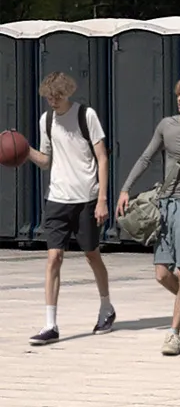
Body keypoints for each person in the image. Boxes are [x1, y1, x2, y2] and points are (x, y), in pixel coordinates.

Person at [116, 77, 180, 357]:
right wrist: (125, 189)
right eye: (179, 95)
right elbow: (146, 158)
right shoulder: (166, 126)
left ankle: (173, 335)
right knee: (162, 274)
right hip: (165, 206)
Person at [25, 72, 114, 344]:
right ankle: (50, 324)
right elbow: (46, 161)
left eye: (56, 96)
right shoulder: (46, 120)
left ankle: (106, 308)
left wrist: (102, 199)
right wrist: (23, 149)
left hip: (86, 197)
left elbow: (102, 158)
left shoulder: (86, 116)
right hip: (57, 198)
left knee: (92, 255)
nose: (51, 100)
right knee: (54, 258)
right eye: (48, 96)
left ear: (67, 93)